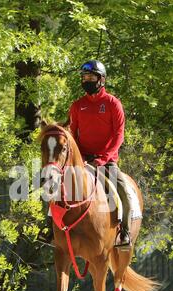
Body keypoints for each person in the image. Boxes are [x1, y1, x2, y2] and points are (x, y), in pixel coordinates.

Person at [68, 60, 132, 248]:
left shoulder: (113, 103)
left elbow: (119, 135)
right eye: (84, 77)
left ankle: (124, 232)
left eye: (91, 77)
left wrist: (103, 158)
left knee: (123, 193)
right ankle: (49, 229)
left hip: (106, 161)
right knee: (55, 186)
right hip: (83, 160)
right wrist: (79, 157)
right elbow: (72, 134)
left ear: (101, 79)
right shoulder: (77, 106)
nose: (87, 80)